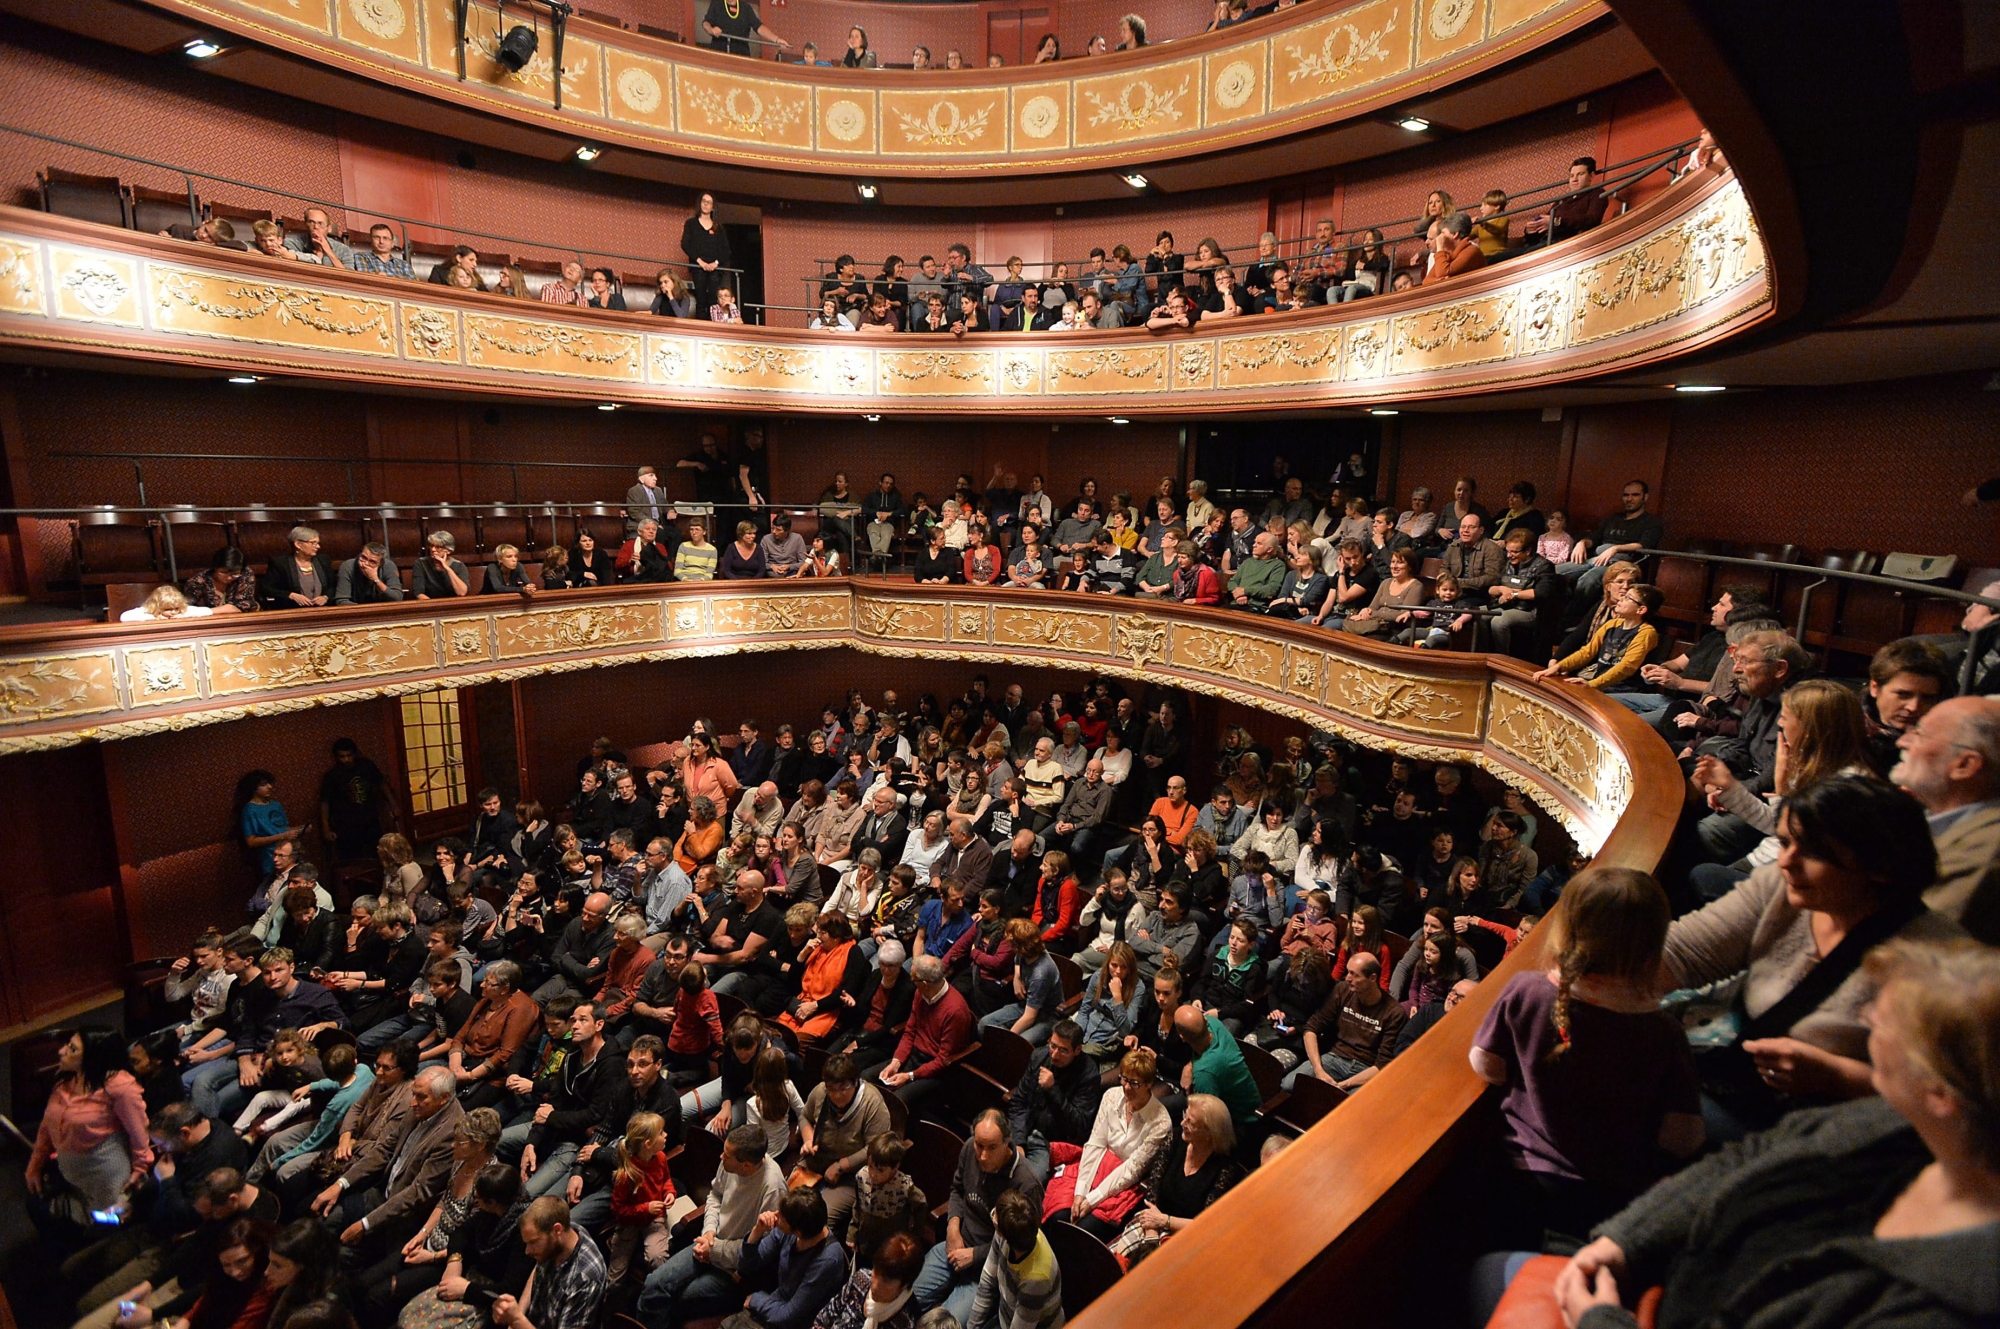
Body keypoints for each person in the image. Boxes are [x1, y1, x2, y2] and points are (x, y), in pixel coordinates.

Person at [1535, 939, 2000, 1329]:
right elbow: (1749, 1156)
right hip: (1673, 1278)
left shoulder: (1943, 1307)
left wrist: (1602, 1322)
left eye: (1885, 1022)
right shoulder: (1895, 1123)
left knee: (1489, 1273)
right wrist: (1626, 1240)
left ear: (1941, 1095)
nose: (1866, 1019)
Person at [1663, 774, 1963, 1140]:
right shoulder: (1781, 886)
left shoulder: (1936, 963)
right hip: (1732, 1073)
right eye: (1786, 842)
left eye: (1814, 851)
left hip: (1816, 1129)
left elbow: (1955, 1104)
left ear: (1880, 867)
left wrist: (1841, 1077)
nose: (1787, 861)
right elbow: (1684, 951)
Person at [1468, 869, 1701, 1245]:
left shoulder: (1528, 991)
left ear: (1567, 928)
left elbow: (1486, 1065)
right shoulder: (1665, 1032)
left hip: (1522, 1182)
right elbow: (1684, 1137)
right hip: (1612, 1203)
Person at [637, 1125, 786, 1325]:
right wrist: (708, 1232)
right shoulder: (729, 1164)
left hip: (732, 1269)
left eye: (726, 1156)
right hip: (709, 1243)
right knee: (654, 1285)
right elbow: (715, 1195)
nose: (720, 1158)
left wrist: (713, 1249)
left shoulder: (773, 1188)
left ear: (746, 1167)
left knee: (672, 1300)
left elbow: (759, 1250)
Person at [911, 1110, 1040, 1324]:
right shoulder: (969, 1149)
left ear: (1007, 1142)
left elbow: (1021, 1244)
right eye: (979, 1145)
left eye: (992, 1148)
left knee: (949, 1325)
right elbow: (958, 1189)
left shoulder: (1026, 1184)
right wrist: (953, 1228)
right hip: (953, 1247)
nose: (982, 1156)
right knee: (906, 1300)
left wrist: (975, 1255)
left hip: (986, 1269)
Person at [1892, 696, 2000, 943]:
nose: (1902, 740)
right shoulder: (1930, 822)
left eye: (1919, 733)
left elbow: (1904, 947)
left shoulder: (1981, 856)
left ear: (1964, 765)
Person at [26, 1029, 153, 1228]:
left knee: (107, 1226)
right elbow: (48, 1124)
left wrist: (140, 1169)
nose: (61, 1051)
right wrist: (36, 1163)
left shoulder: (119, 1087)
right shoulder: (67, 1079)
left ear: (93, 1057)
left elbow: (139, 1132)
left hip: (105, 1174)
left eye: (72, 1049)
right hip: (72, 1171)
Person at [1534, 584, 1662, 690]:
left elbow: (1626, 667)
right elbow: (1587, 652)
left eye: (1628, 598)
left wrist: (1592, 684)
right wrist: (1558, 667)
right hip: (1600, 683)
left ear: (1641, 610)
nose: (1621, 599)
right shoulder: (1612, 624)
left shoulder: (1646, 633)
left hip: (1623, 688)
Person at [182, 547, 259, 614]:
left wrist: (207, 611)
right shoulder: (196, 583)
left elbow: (244, 605)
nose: (229, 577)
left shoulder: (245, 573)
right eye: (224, 572)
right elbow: (189, 609)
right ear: (215, 568)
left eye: (235, 574)